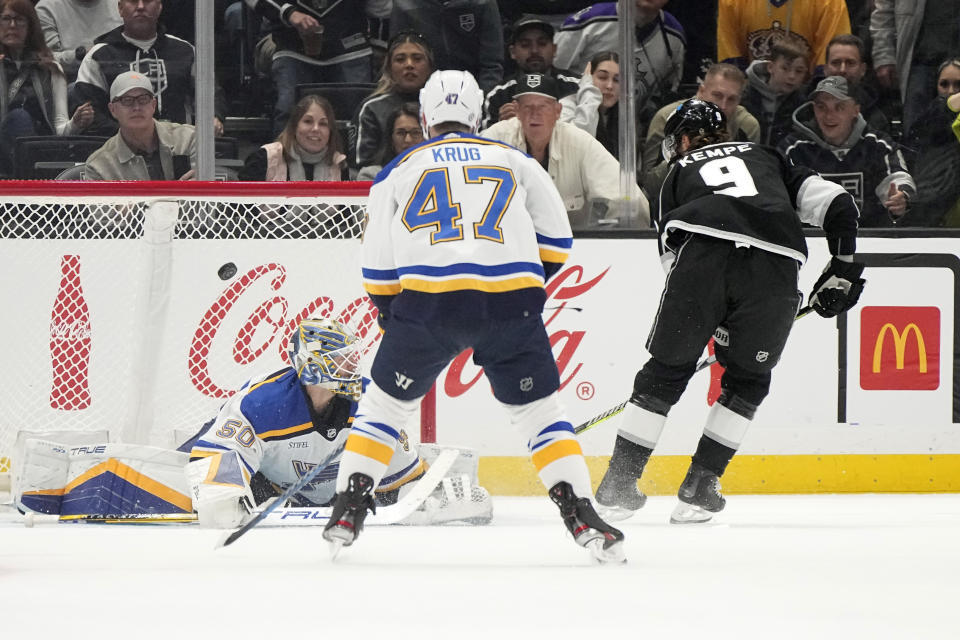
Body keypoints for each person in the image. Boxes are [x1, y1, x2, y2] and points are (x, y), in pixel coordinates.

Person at [321, 69, 626, 564]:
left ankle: (349, 506)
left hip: (429, 304)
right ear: (480, 114)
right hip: (510, 302)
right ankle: (581, 513)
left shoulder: (396, 170)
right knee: (540, 414)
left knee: (385, 407)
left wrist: (393, 316)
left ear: (423, 117)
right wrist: (524, 288)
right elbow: (558, 240)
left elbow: (377, 268)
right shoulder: (516, 160)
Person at [594, 98, 864, 524]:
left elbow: (671, 255)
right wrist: (844, 268)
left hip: (700, 259)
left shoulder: (674, 175)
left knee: (664, 374)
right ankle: (701, 484)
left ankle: (617, 485)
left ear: (681, 139)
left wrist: (711, 319)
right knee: (748, 382)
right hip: (774, 268)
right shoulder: (768, 157)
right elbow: (840, 205)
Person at [181, 316, 492, 529]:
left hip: (333, 495)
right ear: (312, 365)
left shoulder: (371, 402)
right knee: (216, 504)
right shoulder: (262, 404)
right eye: (341, 358)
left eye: (351, 357)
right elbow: (216, 457)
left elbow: (401, 482)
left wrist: (426, 499)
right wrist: (222, 498)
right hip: (268, 489)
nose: (352, 365)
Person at [482, 73, 649, 229]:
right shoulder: (496, 139)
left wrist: (604, 240)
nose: (535, 114)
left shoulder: (579, 142)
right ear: (516, 111)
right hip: (508, 245)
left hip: (573, 252)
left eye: (543, 106)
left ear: (558, 111)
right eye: (528, 107)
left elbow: (632, 201)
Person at [72, 0, 226, 137]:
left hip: (179, 148)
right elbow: (90, 114)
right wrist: (134, 137)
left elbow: (211, 93)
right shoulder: (99, 55)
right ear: (120, 8)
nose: (140, 6)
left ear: (159, 7)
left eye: (147, 1)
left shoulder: (185, 51)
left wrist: (213, 117)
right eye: (133, 1)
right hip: (116, 149)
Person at [780, 76, 915, 228]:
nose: (829, 116)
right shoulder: (794, 148)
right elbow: (773, 188)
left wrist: (900, 198)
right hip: (811, 242)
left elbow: (898, 179)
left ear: (856, 110)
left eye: (839, 107)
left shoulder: (878, 145)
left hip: (867, 240)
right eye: (821, 107)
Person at [246, 0, 372, 137]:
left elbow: (382, 9)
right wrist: (289, 12)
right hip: (292, 46)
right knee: (288, 108)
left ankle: (356, 157)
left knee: (360, 111)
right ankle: (282, 157)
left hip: (350, 47)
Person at [554, 0, 685, 124]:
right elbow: (553, 74)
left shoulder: (674, 36)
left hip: (631, 134)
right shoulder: (588, 21)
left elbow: (669, 91)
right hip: (575, 123)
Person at [0, 0, 93, 174]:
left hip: (40, 151)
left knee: (21, 119)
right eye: (6, 19)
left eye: (19, 19)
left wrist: (76, 123)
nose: (12, 25)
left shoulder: (50, 69)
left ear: (31, 26)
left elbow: (60, 130)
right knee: (18, 118)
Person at [643, 63, 760, 190]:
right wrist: (684, 155)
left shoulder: (746, 125)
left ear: (739, 101)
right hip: (678, 201)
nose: (723, 106)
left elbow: (752, 181)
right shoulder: (667, 118)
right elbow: (648, 185)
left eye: (732, 99)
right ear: (701, 91)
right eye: (717, 95)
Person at [870, 0, 960, 140]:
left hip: (956, 60)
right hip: (919, 63)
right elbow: (884, 10)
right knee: (915, 136)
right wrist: (884, 55)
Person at [83, 70, 195, 181]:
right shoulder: (98, 166)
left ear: (153, 105)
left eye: (143, 99)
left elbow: (208, 190)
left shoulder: (189, 138)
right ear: (113, 110)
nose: (136, 107)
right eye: (127, 100)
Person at [481, 16, 581, 131]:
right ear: (512, 52)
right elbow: (484, 144)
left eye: (542, 43)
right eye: (525, 44)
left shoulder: (577, 87)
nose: (534, 50)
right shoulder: (498, 95)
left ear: (554, 49)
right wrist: (501, 127)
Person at [354, 31, 433, 175]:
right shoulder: (371, 108)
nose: (409, 65)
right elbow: (362, 167)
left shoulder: (443, 107)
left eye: (417, 58)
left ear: (430, 66)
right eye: (400, 59)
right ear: (389, 68)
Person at [390, 0, 503, 94]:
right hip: (421, 96)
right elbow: (397, 59)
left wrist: (482, 101)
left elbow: (491, 64)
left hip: (474, 92)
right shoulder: (404, 4)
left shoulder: (483, 3)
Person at [898, 59, 960, 227]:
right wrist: (950, 105)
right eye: (944, 85)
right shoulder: (927, 120)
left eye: (958, 85)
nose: (951, 91)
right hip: (935, 216)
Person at [718, 0, 852, 74]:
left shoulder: (830, 3)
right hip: (749, 93)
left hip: (805, 97)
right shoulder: (732, 2)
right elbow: (729, 58)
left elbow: (829, 65)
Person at [239, 94, 347, 182]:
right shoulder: (263, 159)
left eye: (323, 124)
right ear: (294, 126)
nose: (315, 129)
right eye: (308, 121)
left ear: (330, 131)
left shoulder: (339, 164)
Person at [810, 34, 890, 134]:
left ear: (863, 70)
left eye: (850, 63)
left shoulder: (876, 117)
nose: (842, 70)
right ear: (825, 69)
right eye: (836, 63)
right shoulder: (804, 107)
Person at [741, 40, 809, 145]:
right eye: (785, 68)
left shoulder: (803, 103)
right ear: (770, 67)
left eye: (799, 71)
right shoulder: (744, 93)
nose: (792, 76)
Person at [34, 0, 122, 82]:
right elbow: (46, 60)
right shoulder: (46, 9)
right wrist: (83, 54)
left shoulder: (123, 3)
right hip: (71, 84)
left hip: (123, 78)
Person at [356, 102, 423, 180]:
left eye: (415, 133)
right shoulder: (372, 175)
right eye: (401, 133)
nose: (408, 140)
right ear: (391, 139)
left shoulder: (438, 171)